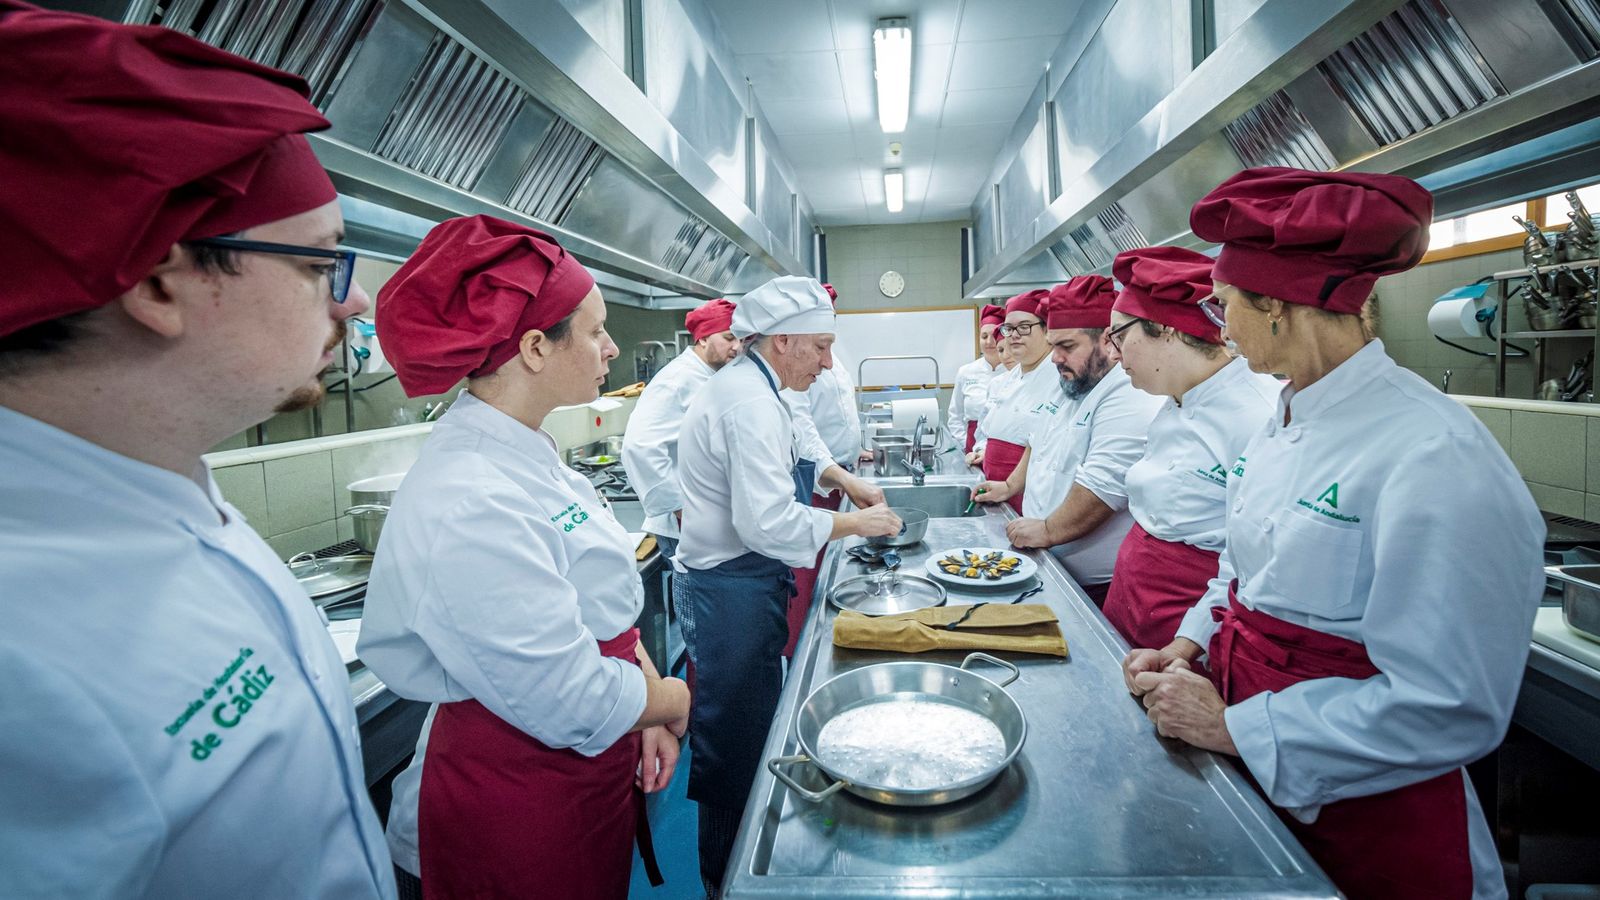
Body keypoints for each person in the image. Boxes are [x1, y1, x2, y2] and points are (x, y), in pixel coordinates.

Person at [0, 5, 393, 897]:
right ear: (156, 280)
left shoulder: (164, 491)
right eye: (320, 264)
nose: (356, 303)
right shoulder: (21, 652)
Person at [1125, 167, 1544, 900]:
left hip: (1374, 816)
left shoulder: (1432, 453)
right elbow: (1240, 571)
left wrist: (1240, 731)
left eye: (1224, 306)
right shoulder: (1285, 417)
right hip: (1263, 774)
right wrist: (1190, 641)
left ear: (1280, 308)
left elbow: (1453, 707)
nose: (1219, 329)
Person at [359, 216, 691, 899]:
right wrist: (676, 697)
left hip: (583, 780)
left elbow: (600, 607)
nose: (611, 347)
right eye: (596, 330)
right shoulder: (470, 496)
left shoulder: (531, 456)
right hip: (509, 809)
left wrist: (647, 704)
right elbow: (571, 696)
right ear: (536, 347)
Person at [673, 276, 901, 898]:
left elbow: (798, 437)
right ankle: (725, 880)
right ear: (782, 343)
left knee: (747, 728)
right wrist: (856, 521)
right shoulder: (747, 400)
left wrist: (842, 480)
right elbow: (767, 522)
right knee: (733, 746)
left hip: (745, 581)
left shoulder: (758, 385)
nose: (829, 364)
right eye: (821, 347)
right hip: (729, 591)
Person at [1098, 247, 1279, 650]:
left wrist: (1189, 643)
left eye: (1119, 335)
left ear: (1166, 329)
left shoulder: (1258, 416)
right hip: (1131, 600)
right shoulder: (1172, 401)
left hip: (1191, 622)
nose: (1112, 352)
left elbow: (1252, 563)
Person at [973, 276, 1162, 603]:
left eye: (1067, 346)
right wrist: (1010, 486)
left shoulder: (1126, 392)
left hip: (1090, 585)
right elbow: (1037, 439)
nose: (1055, 357)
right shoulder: (1072, 380)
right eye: (1053, 344)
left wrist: (1048, 530)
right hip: (1047, 560)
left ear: (1107, 340)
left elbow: (1101, 489)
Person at [780, 283, 884, 657]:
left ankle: (827, 645)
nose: (825, 354)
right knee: (806, 582)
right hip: (814, 488)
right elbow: (803, 433)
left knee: (831, 576)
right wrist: (842, 476)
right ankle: (803, 659)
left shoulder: (832, 360)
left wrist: (858, 451)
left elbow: (841, 413)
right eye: (820, 341)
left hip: (840, 478)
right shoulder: (793, 367)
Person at [622, 297, 740, 558]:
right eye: (729, 338)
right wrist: (680, 508)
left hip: (711, 515)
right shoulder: (677, 380)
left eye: (740, 338)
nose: (737, 346)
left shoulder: (713, 375)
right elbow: (639, 447)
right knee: (692, 594)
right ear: (703, 338)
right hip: (686, 523)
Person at [967, 288, 1061, 512]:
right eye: (1009, 328)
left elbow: (1043, 445)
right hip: (1001, 492)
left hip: (1031, 495)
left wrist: (1011, 484)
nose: (1014, 335)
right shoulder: (1009, 378)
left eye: (1024, 327)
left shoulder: (1059, 376)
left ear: (1047, 329)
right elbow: (988, 428)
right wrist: (984, 450)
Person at [947, 303, 1006, 453]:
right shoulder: (966, 372)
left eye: (994, 336)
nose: (989, 342)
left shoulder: (1015, 371)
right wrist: (966, 444)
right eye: (984, 336)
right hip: (971, 446)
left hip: (1003, 444)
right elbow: (955, 415)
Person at [967, 323, 1021, 467]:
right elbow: (984, 430)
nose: (1006, 355)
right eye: (1001, 350)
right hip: (992, 462)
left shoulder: (1036, 384)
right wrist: (980, 450)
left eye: (1011, 348)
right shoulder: (996, 384)